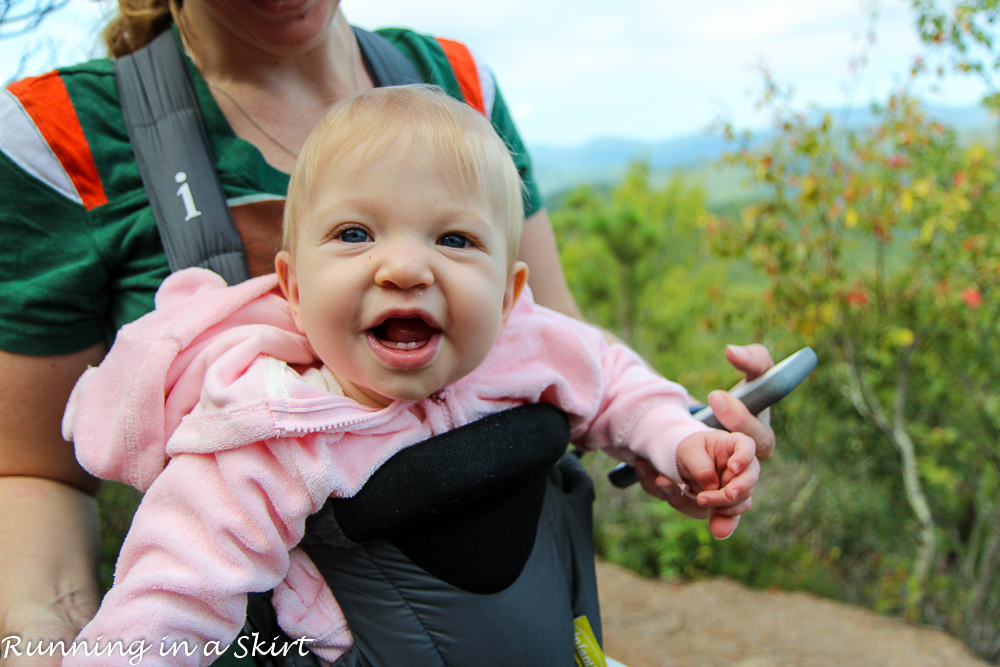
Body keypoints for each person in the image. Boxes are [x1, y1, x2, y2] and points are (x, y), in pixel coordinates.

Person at [0, 0, 776, 663]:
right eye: (354, 236)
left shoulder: (463, 99)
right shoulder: (269, 433)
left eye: (454, 240)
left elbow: (599, 370)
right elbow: (168, 590)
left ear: (510, 298)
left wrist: (677, 438)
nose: (405, 269)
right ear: (290, 289)